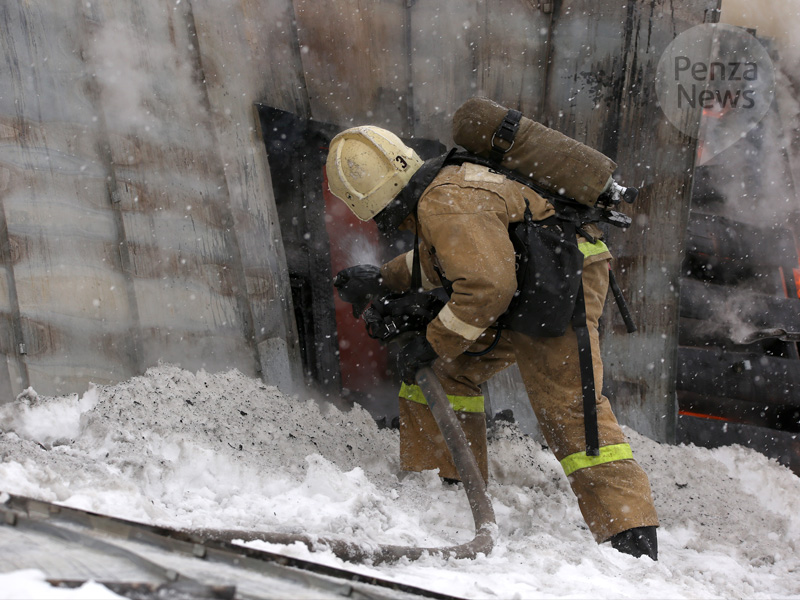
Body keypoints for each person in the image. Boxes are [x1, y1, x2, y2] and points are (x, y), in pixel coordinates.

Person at [325, 124, 659, 560]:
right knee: (448, 373)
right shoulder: (441, 192)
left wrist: (433, 339)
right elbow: (452, 257)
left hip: (559, 284)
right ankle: (444, 485)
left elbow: (485, 288)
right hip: (531, 282)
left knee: (570, 411)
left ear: (374, 205)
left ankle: (630, 537)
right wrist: (381, 278)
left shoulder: (445, 202)